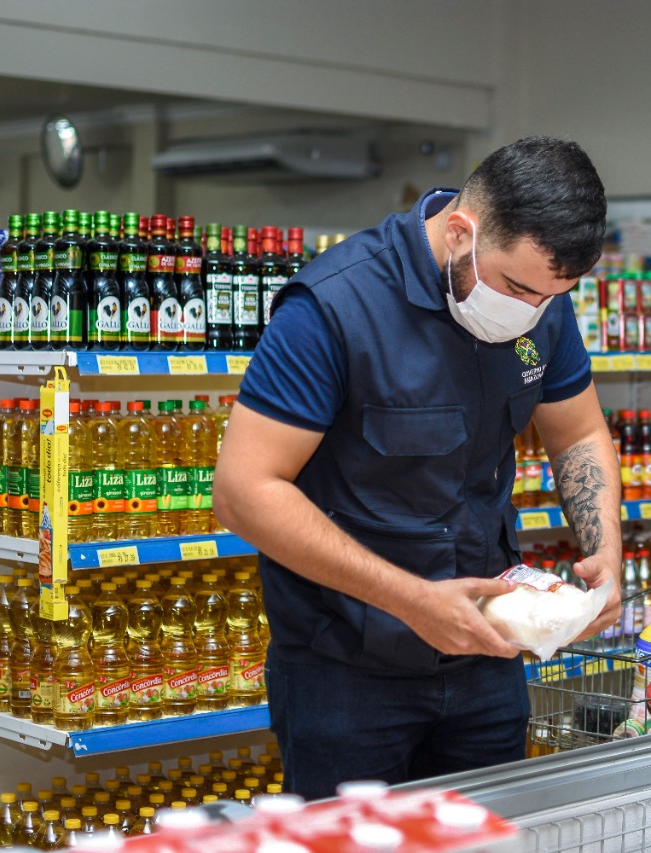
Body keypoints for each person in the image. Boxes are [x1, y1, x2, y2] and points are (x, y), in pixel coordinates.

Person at [214, 136, 622, 799]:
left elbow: (575, 431)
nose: (532, 311)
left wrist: (606, 546)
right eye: (517, 287)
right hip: (345, 669)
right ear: (461, 232)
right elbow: (243, 491)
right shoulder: (332, 307)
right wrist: (416, 602)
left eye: (553, 295)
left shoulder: (542, 302)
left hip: (488, 658)